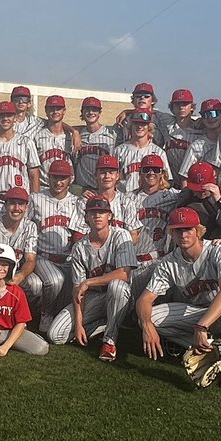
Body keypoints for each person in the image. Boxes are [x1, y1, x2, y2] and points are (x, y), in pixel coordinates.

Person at [136, 207, 221, 391]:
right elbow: (144, 299)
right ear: (171, 233)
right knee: (153, 317)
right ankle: (214, 348)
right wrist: (146, 325)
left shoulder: (217, 249)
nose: (183, 234)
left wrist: (201, 326)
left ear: (198, 231)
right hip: (201, 313)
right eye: (178, 230)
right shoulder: (168, 262)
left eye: (188, 229)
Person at [47, 196, 137, 362]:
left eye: (102, 212)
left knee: (117, 286)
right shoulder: (80, 247)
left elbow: (124, 274)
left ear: (109, 215)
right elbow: (77, 290)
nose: (97, 215)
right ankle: (106, 324)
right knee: (56, 335)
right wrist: (79, 325)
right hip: (94, 298)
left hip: (119, 297)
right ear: (86, 217)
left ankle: (109, 340)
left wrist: (88, 282)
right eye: (93, 212)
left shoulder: (121, 236)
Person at [27, 159, 87, 333]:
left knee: (67, 298)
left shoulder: (77, 202)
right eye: (55, 177)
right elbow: (26, 228)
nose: (59, 182)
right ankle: (45, 314)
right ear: (49, 177)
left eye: (63, 177)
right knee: (54, 281)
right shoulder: (36, 198)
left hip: (68, 259)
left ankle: (47, 313)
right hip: (44, 257)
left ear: (70, 179)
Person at [0, 100, 41, 223]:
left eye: (9, 115)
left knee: (20, 239)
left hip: (20, 201)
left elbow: (34, 175)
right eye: (1, 116)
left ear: (14, 118)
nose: (5, 119)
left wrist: (34, 202)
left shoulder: (26, 142)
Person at [0, 186, 41, 308]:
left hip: (17, 271)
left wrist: (20, 276)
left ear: (26, 207)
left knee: (36, 284)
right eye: (12, 203)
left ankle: (22, 311)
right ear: (5, 205)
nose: (16, 208)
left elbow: (31, 259)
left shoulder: (30, 227)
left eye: (21, 204)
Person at [132, 153, 181, 298]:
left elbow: (194, 192)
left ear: (162, 174)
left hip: (157, 260)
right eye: (146, 169)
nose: (151, 173)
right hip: (133, 261)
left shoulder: (172, 196)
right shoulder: (128, 198)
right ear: (140, 173)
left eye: (155, 169)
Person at [178, 161, 221, 240]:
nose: (201, 193)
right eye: (197, 189)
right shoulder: (185, 195)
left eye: (204, 189)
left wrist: (220, 200)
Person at [83, 154, 141, 245]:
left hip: (119, 252)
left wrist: (115, 249)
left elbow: (134, 237)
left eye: (111, 172)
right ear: (95, 175)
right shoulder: (86, 200)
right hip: (92, 252)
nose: (107, 176)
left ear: (117, 175)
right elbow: (78, 235)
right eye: (103, 172)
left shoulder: (127, 203)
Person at [114, 110, 172, 194]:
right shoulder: (119, 150)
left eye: (143, 124)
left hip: (150, 199)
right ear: (130, 126)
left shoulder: (159, 152)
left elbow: (166, 179)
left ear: (149, 127)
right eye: (136, 124)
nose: (139, 127)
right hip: (124, 198)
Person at [33, 94, 81, 187]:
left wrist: (74, 131)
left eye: (58, 108)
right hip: (43, 186)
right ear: (46, 111)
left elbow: (76, 164)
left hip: (67, 187)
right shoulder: (37, 135)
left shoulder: (72, 137)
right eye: (51, 109)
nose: (55, 111)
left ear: (64, 111)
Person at [75, 96, 120, 190]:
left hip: (105, 187)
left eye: (94, 109)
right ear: (82, 113)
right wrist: (73, 131)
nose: (91, 112)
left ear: (99, 113)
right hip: (84, 189)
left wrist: (126, 112)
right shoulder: (78, 134)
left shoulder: (112, 132)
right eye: (87, 109)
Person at [179, 98, 221, 178]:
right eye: (205, 115)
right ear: (202, 119)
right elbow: (185, 177)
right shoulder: (195, 146)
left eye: (214, 113)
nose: (210, 118)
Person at [115, 82, 172, 147]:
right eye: (138, 96)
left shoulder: (161, 118)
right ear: (133, 100)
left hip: (155, 154)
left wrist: (127, 111)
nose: (142, 98)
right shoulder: (125, 119)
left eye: (146, 96)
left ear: (153, 100)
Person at [164, 88, 200, 182]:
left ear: (192, 107)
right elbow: (149, 111)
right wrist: (127, 111)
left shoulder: (200, 129)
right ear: (172, 108)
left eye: (185, 104)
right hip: (170, 183)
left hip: (191, 182)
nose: (181, 107)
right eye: (177, 104)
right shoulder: (167, 122)